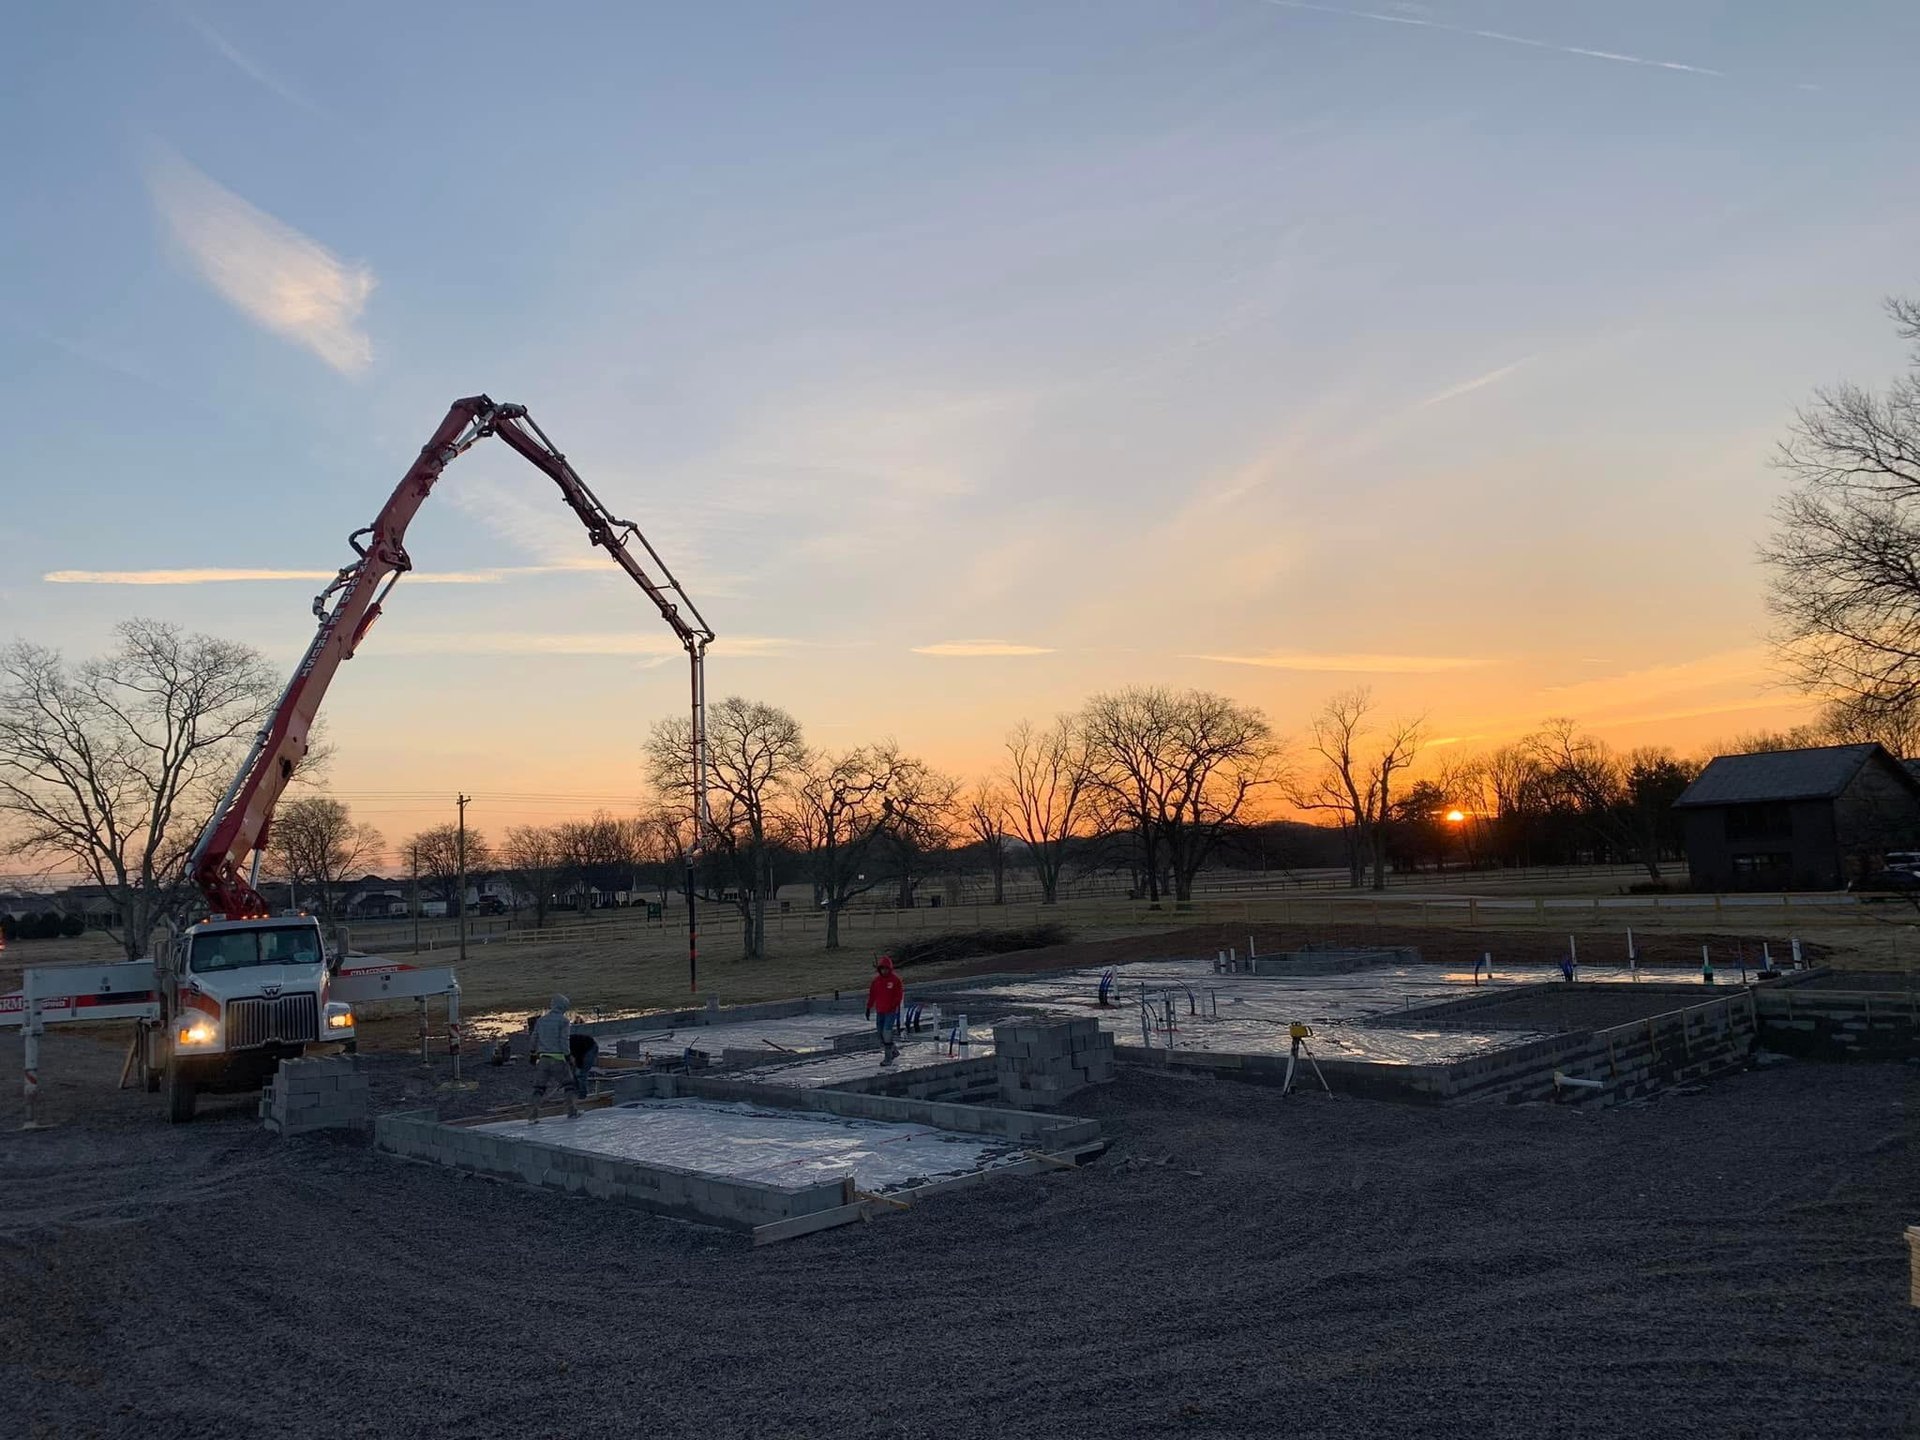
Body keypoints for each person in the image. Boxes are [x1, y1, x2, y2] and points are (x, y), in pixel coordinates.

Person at [527, 994, 579, 1123]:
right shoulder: (563, 1021)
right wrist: (568, 1057)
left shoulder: (541, 1020)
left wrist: (533, 1054)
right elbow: (564, 1041)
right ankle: (572, 1112)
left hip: (543, 1059)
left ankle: (532, 1116)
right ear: (563, 1007)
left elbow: (534, 1038)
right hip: (558, 1059)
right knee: (569, 1085)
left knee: (539, 1088)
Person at [865, 954, 904, 1066]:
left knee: (887, 1033)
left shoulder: (895, 980)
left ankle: (888, 1057)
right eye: (882, 969)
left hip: (890, 1012)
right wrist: (868, 1007)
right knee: (880, 1033)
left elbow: (898, 995)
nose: (884, 971)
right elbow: (872, 995)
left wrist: (893, 1006)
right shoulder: (876, 981)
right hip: (880, 1011)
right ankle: (894, 1050)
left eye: (886, 969)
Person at [569, 1030, 600, 1098]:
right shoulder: (559, 1050)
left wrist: (578, 1066)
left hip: (590, 1048)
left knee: (581, 1074)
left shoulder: (570, 1046)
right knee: (572, 1074)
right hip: (580, 1050)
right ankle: (575, 1093)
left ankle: (583, 1095)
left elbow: (578, 1058)